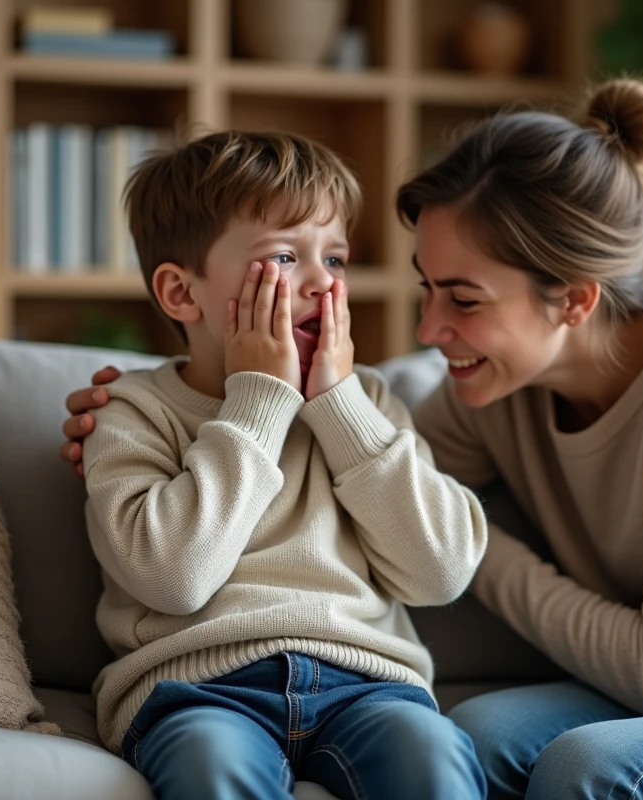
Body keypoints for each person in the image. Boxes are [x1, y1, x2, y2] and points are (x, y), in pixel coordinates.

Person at [62, 82, 643, 799]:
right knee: (485, 739)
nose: (427, 329)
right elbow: (368, 467)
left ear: (574, 299)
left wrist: (460, 532)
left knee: (589, 774)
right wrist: (197, 414)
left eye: (461, 300)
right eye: (425, 286)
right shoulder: (495, 377)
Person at [76, 130, 488, 800]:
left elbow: (439, 571)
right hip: (198, 692)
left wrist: (340, 406)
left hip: (368, 685)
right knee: (211, 763)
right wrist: (260, 402)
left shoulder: (370, 403)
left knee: (432, 754)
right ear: (182, 293)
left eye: (336, 258)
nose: (324, 281)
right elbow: (175, 578)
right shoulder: (130, 412)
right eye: (287, 257)